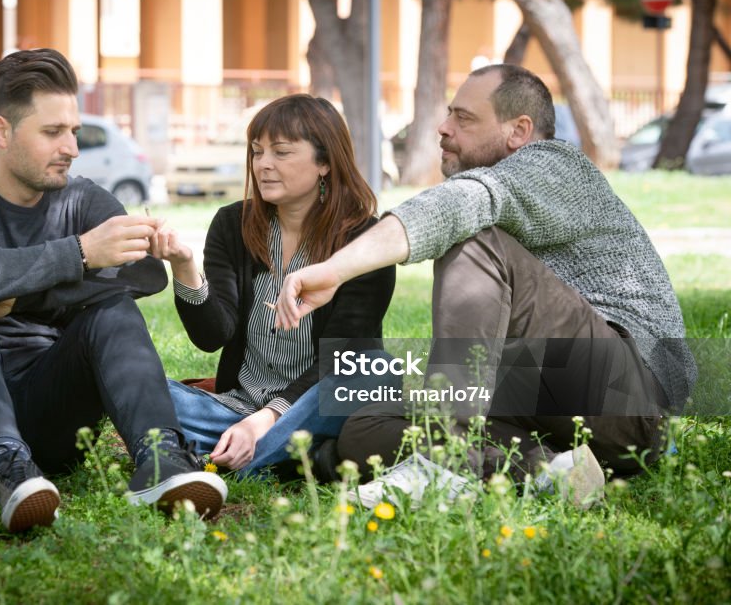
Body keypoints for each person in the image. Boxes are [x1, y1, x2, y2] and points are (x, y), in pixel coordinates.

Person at [275, 64, 696, 504]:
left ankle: (439, 462)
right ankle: (550, 469)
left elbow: (456, 205)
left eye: (464, 118)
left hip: (630, 400)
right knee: (368, 425)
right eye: (448, 115)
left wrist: (334, 269)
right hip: (542, 407)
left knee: (473, 236)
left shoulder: (558, 165)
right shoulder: (508, 191)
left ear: (519, 130)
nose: (443, 128)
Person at [0, 48, 226, 532]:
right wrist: (77, 255)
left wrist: (19, 295)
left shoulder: (81, 198)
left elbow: (144, 274)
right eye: (52, 132)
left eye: (74, 132)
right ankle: (7, 466)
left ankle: (162, 459)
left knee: (114, 311)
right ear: (1, 131)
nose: (72, 148)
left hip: (44, 421)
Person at [150, 94, 396, 478]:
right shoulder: (233, 225)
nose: (263, 164)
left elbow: (343, 356)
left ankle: (229, 459)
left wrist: (266, 420)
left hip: (314, 405)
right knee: (139, 387)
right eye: (257, 151)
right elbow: (213, 335)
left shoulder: (364, 242)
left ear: (325, 163)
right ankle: (284, 457)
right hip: (236, 408)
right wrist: (184, 267)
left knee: (376, 369)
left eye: (281, 152)